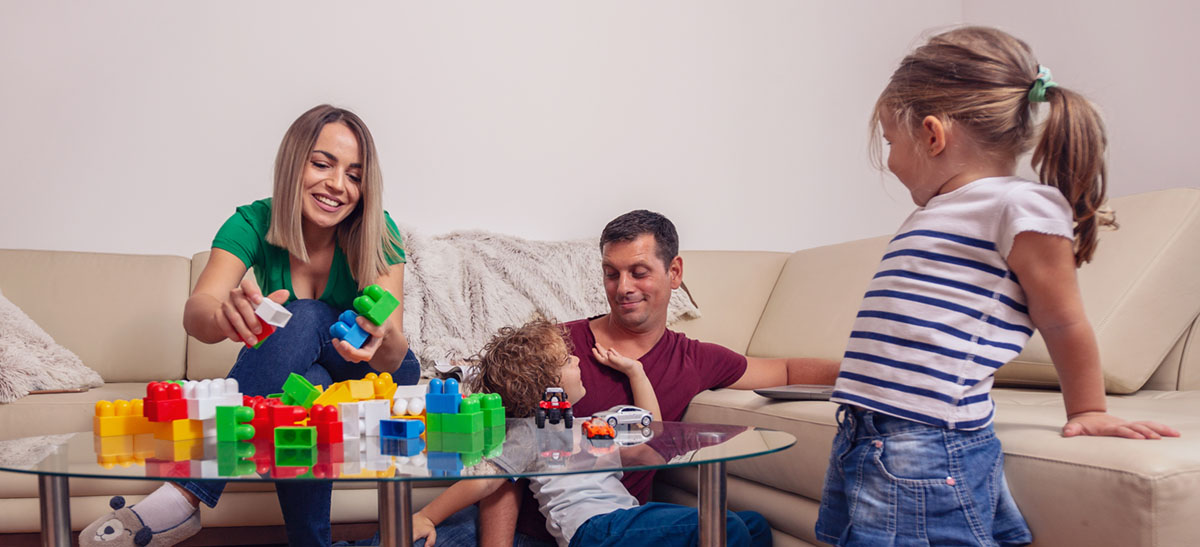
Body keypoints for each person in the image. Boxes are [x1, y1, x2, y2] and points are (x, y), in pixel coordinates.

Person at [813, 27, 1180, 546]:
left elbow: (1062, 319)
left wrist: (1088, 409)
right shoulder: (941, 212)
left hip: (922, 441)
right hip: (867, 432)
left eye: (892, 144)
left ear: (934, 135)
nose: (890, 162)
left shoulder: (1018, 205)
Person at [80, 104, 420, 547]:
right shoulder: (253, 222)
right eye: (322, 164)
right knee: (305, 388)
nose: (338, 185)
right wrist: (222, 317)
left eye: (354, 175)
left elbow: (393, 352)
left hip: (376, 376)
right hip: (309, 376)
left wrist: (380, 338)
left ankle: (186, 493)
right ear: (293, 164)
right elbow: (198, 309)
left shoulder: (380, 231)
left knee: (309, 313)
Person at [464, 210, 842, 545]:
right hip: (547, 533)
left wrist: (869, 372)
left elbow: (788, 370)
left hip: (631, 527)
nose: (623, 287)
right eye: (611, 274)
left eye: (638, 272)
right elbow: (505, 458)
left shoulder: (694, 358)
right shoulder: (555, 351)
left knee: (754, 527)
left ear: (674, 272)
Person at [411, 319, 771, 547]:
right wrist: (428, 516)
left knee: (753, 525)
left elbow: (652, 436)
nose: (579, 360)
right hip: (593, 532)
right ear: (549, 384)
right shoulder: (532, 432)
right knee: (725, 526)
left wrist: (636, 373)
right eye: (567, 361)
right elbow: (485, 481)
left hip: (625, 522)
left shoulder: (594, 425)